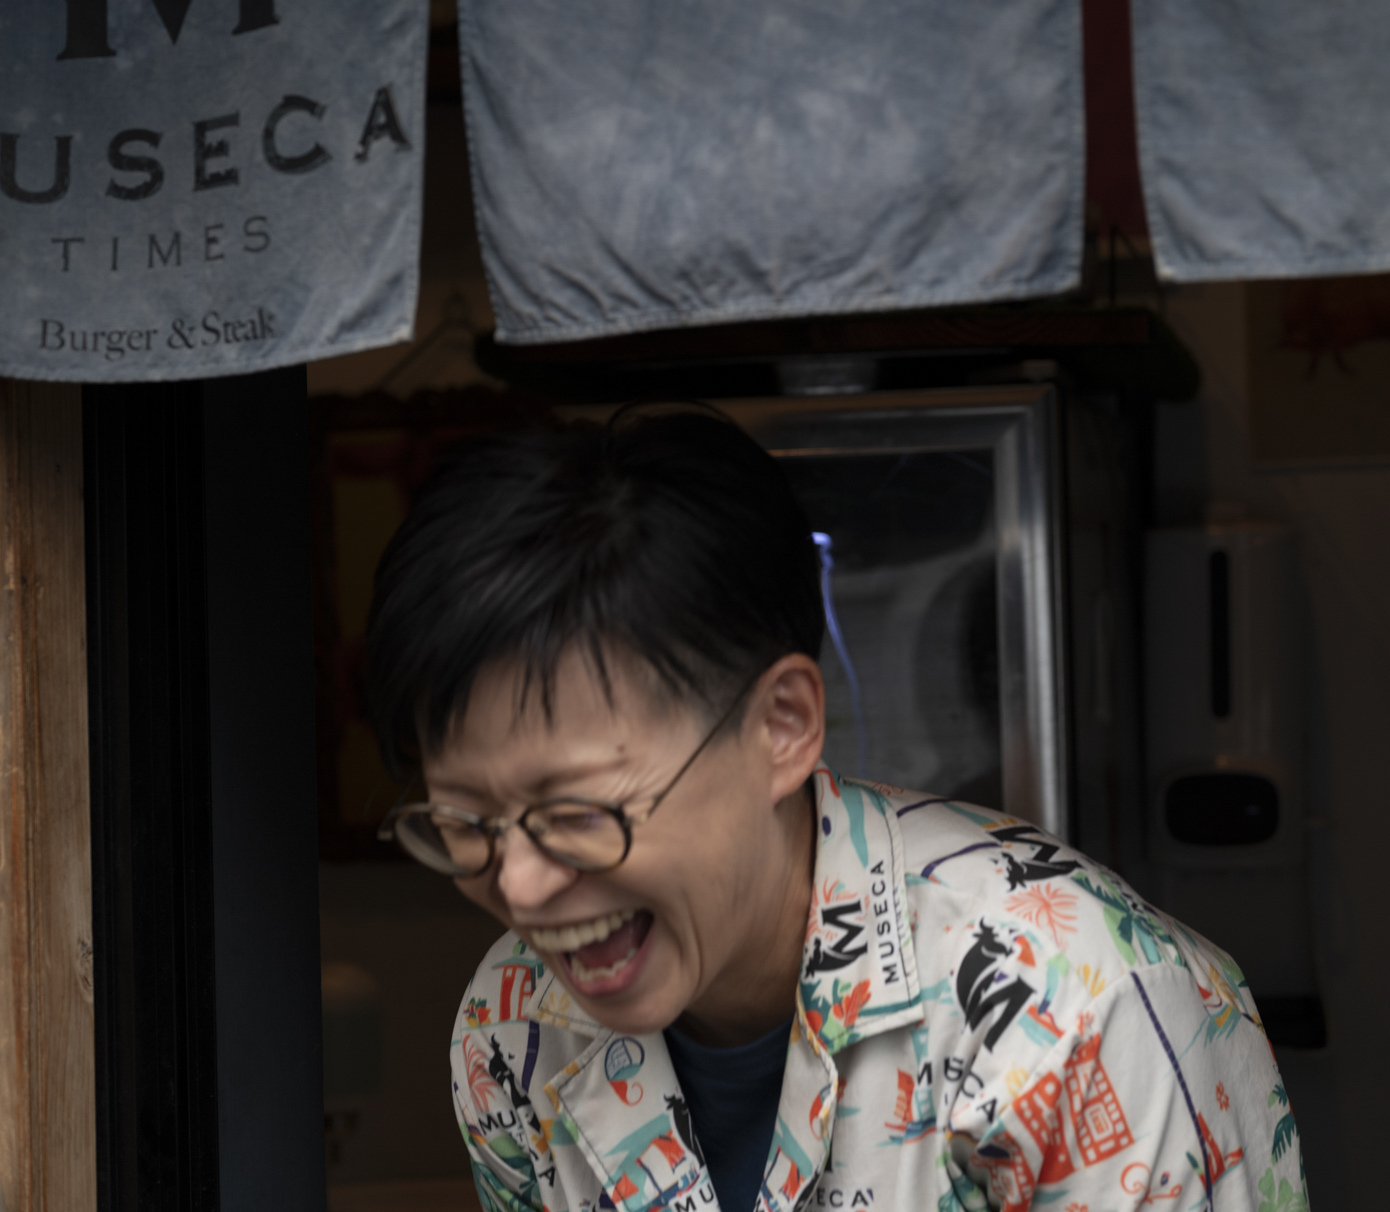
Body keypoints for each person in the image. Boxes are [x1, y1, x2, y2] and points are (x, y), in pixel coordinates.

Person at [363, 406, 1307, 1212]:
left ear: (781, 726)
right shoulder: (511, 1027)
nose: (522, 889)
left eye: (577, 812)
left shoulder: (1077, 1006)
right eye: (467, 824)